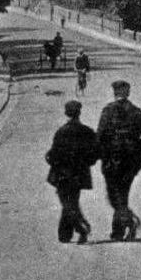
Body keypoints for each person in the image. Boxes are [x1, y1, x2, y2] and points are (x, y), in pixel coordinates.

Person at [96, 80, 141, 240]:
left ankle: (127, 224)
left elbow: (99, 136)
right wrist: (138, 151)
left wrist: (102, 155)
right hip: (131, 161)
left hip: (111, 160)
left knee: (114, 195)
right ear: (127, 93)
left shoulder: (107, 111)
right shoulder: (138, 112)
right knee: (122, 193)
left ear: (114, 93)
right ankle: (119, 230)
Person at [45, 100, 99, 244]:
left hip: (62, 174)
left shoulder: (61, 132)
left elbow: (52, 155)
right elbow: (96, 152)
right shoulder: (87, 131)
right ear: (79, 113)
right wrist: (87, 162)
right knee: (72, 201)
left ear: (66, 113)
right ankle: (65, 235)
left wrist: (51, 160)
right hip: (79, 174)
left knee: (67, 203)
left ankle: (81, 228)